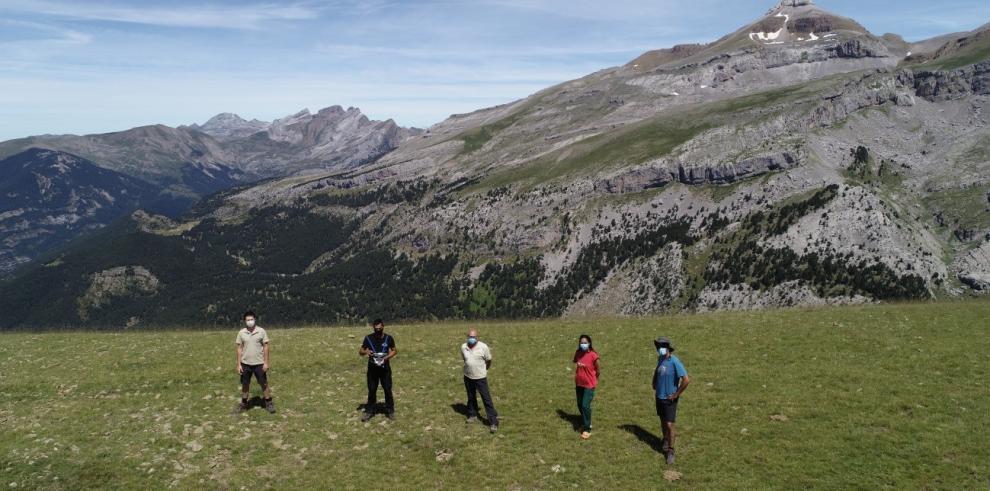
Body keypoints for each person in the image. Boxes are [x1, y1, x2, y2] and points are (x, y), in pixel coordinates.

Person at [653, 336, 690, 465]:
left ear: (667, 348)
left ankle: (671, 451)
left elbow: (686, 380)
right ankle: (665, 439)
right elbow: (657, 371)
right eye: (658, 347)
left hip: (670, 399)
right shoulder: (660, 359)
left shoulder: (675, 361)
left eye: (661, 347)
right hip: (659, 397)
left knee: (669, 425)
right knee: (663, 421)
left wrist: (675, 395)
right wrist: (654, 382)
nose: (659, 349)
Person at [235, 311, 275, 413]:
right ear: (244, 321)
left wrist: (266, 362)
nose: (250, 321)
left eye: (251, 319)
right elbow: (239, 348)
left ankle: (268, 402)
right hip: (245, 364)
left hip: (259, 363)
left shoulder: (261, 331)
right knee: (245, 384)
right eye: (248, 320)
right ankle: (244, 403)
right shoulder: (241, 332)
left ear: (255, 319)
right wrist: (238, 364)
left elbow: (266, 347)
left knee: (263, 383)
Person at [460, 329, 499, 433]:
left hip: (480, 377)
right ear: (467, 336)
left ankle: (493, 422)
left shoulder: (483, 347)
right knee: (471, 396)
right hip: (468, 376)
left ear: (477, 337)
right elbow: (465, 359)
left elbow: (489, 360)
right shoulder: (464, 347)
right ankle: (472, 414)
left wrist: (484, 369)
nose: (471, 339)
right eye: (470, 337)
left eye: (473, 337)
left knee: (486, 399)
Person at [359, 318, 397, 421]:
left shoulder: (389, 338)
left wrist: (387, 358)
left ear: (383, 327)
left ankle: (390, 410)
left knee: (387, 389)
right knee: (372, 390)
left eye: (380, 328)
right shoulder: (368, 338)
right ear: (373, 328)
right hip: (372, 369)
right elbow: (360, 351)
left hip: (385, 369)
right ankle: (369, 411)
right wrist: (366, 352)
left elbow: (394, 350)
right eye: (376, 329)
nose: (378, 331)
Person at [573, 334, 600, 440]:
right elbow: (576, 363)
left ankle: (587, 429)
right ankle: (586, 421)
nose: (583, 344)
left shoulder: (593, 355)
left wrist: (594, 379)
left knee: (585, 405)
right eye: (581, 342)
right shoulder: (578, 353)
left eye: (585, 342)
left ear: (589, 343)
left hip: (589, 384)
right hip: (579, 383)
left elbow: (598, 370)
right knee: (580, 404)